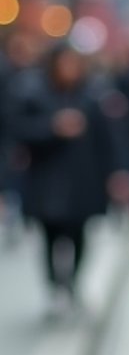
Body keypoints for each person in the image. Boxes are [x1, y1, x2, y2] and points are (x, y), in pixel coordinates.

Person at [13, 42, 114, 316]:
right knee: (49, 236)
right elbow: (18, 131)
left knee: (79, 235)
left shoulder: (92, 96)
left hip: (83, 179)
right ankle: (55, 287)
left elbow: (106, 139)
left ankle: (73, 285)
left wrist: (114, 174)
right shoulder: (34, 93)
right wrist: (53, 127)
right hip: (47, 180)